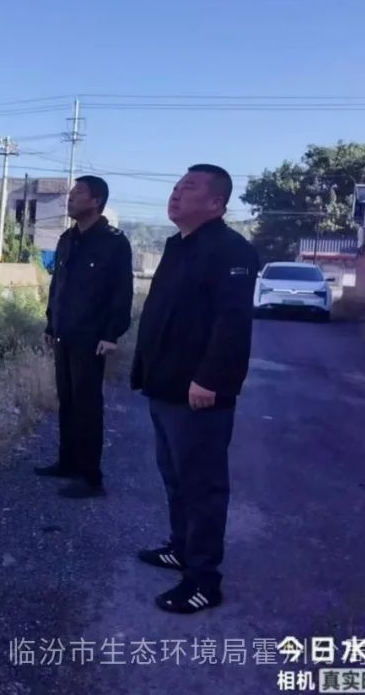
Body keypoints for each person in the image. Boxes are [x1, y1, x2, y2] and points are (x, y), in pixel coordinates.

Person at [131, 163, 259, 614]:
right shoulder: (178, 244)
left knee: (202, 487)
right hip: (165, 386)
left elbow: (232, 325)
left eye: (189, 187)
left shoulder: (231, 250)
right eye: (176, 185)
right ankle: (181, 547)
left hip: (199, 392)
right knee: (174, 477)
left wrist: (210, 380)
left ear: (216, 203)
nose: (176, 193)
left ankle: (203, 580)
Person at [35, 175, 133, 499]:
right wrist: (51, 325)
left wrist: (111, 334)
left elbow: (121, 292)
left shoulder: (114, 242)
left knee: (88, 406)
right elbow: (58, 287)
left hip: (92, 339)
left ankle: (91, 478)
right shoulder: (67, 239)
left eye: (78, 193)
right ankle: (67, 462)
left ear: (96, 201)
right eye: (71, 193)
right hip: (64, 334)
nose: (70, 198)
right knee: (67, 401)